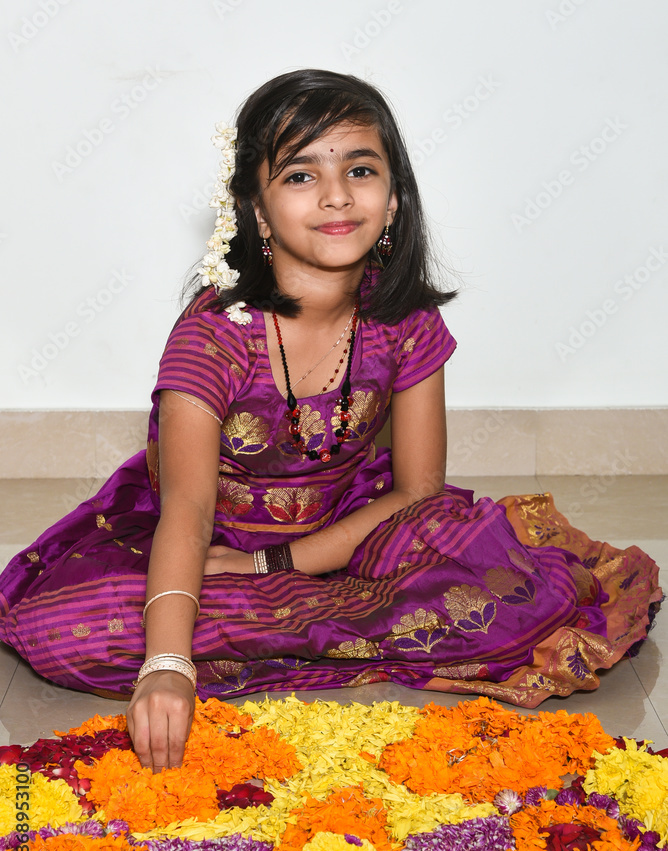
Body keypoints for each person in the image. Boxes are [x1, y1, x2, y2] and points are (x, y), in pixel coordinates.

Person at [0, 70, 661, 773]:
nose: (338, 195)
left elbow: (415, 494)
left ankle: (284, 614)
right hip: (204, 544)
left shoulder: (405, 320)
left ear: (395, 196)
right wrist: (165, 664)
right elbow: (186, 513)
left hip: (347, 528)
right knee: (62, 629)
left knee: (522, 585)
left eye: (361, 169)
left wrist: (272, 564)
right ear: (255, 208)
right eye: (300, 174)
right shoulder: (213, 336)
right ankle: (326, 621)